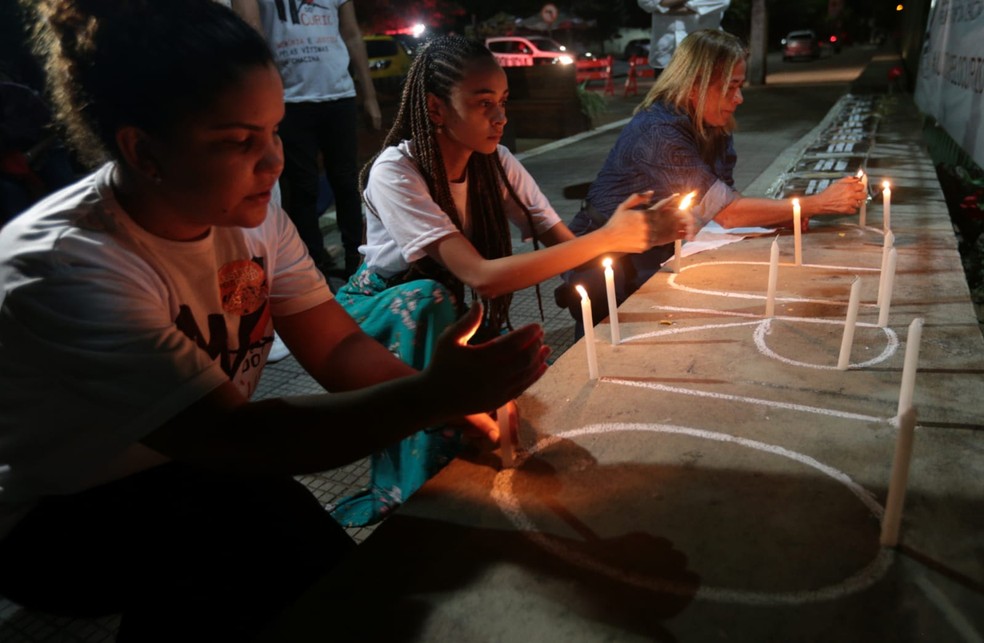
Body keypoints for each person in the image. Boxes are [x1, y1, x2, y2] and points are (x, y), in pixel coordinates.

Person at [0, 2, 549, 641]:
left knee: (311, 561)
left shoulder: (253, 216)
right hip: (55, 518)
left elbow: (337, 345)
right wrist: (428, 396)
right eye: (238, 141)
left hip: (205, 474)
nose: (275, 163)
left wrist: (453, 407)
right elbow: (237, 437)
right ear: (143, 150)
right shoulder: (67, 263)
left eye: (275, 131)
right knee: (228, 532)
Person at [328, 34, 694, 527]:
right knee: (428, 298)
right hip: (381, 312)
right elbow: (480, 276)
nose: (500, 118)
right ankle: (418, 497)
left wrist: (640, 236)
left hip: (450, 312)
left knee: (509, 367)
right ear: (436, 108)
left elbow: (565, 246)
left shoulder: (496, 164)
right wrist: (608, 237)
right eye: (483, 105)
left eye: (502, 102)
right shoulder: (397, 170)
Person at [562, 29, 866, 330]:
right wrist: (816, 203)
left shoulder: (714, 125)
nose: (740, 98)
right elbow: (729, 212)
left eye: (740, 85)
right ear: (696, 85)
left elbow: (723, 199)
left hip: (659, 247)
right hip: (607, 257)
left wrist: (777, 216)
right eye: (731, 87)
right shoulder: (659, 132)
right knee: (609, 345)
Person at [231, 0, 381, 279]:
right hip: (290, 99)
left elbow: (351, 33)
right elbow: (253, 31)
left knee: (347, 183)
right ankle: (313, 265)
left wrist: (369, 96)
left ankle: (357, 260)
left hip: (339, 95)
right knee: (302, 188)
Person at [638, 0, 731, 76]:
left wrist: (665, 5)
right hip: (667, 54)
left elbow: (723, 2)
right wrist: (694, 7)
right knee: (667, 96)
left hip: (703, 51)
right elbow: (645, 2)